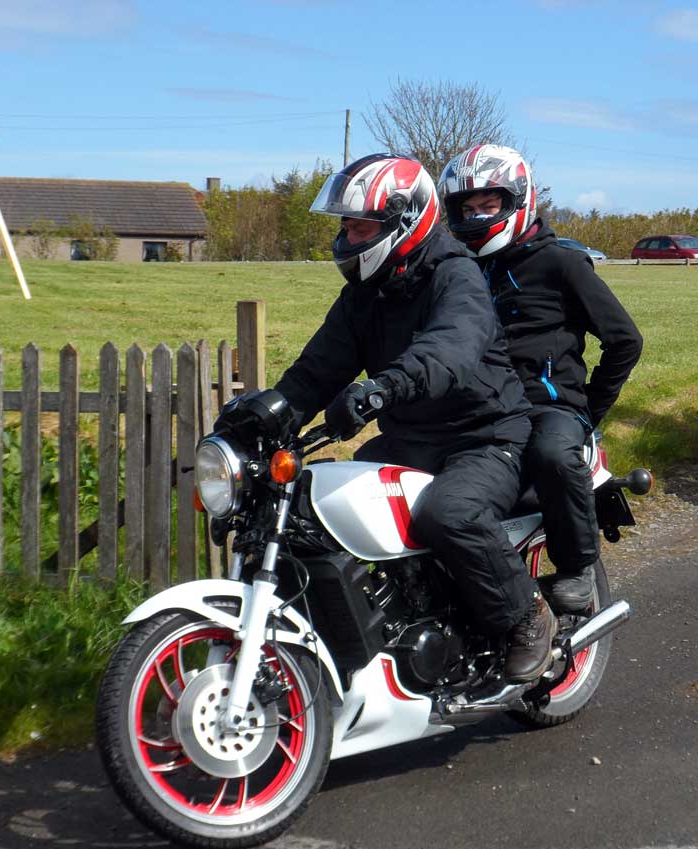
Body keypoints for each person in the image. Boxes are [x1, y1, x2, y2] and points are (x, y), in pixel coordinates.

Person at [216, 153, 557, 683]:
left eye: (361, 226)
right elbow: (316, 372)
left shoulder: (455, 275)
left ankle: (526, 617)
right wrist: (259, 418)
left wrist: (383, 388)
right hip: (411, 439)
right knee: (318, 508)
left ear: (405, 219)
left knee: (450, 514)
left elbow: (451, 349)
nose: (350, 238)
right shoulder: (365, 295)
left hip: (485, 438)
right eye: (347, 227)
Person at [438, 144, 643, 612]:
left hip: (547, 405)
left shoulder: (561, 263)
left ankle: (577, 566)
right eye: (466, 208)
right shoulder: (458, 268)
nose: (476, 216)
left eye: (488, 204)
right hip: (478, 406)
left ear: (518, 199)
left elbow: (625, 340)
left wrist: (587, 412)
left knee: (552, 454)